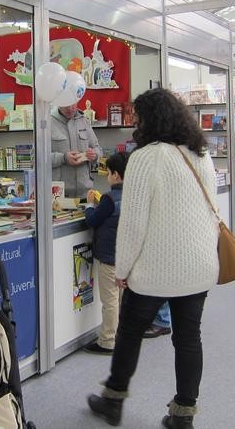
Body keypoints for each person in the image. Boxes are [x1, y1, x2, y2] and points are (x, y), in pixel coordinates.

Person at [87, 88, 218, 429]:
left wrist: (123, 268)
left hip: (156, 269)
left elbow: (133, 223)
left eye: (138, 116)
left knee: (129, 332)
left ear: (150, 119)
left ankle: (113, 400)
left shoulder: (146, 158)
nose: (134, 122)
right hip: (199, 263)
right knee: (189, 337)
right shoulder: (200, 153)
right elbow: (212, 209)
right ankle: (183, 415)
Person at [82, 152, 128, 355]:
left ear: (116, 175)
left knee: (109, 302)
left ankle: (107, 341)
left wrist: (90, 205)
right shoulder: (134, 196)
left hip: (108, 258)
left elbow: (92, 220)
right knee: (120, 300)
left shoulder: (109, 199)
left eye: (108, 172)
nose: (107, 176)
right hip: (125, 258)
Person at [51, 102, 102, 198]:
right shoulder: (47, 122)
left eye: (73, 105)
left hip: (85, 193)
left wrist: (94, 155)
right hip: (59, 195)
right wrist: (63, 158)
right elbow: (36, 158)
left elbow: (98, 149)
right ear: (59, 102)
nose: (70, 109)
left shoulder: (84, 121)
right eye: (66, 105)